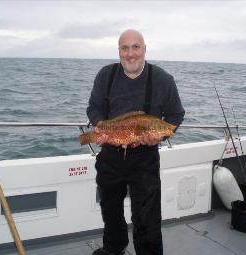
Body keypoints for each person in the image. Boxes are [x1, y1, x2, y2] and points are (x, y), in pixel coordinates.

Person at [86, 29, 185, 255]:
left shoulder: (163, 79)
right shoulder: (105, 75)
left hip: (145, 159)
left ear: (144, 49)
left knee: (147, 216)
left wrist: (161, 136)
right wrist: (100, 125)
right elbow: (93, 107)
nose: (130, 54)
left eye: (136, 47)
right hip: (110, 154)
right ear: (119, 51)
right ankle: (114, 247)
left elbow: (175, 116)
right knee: (110, 209)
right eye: (125, 48)